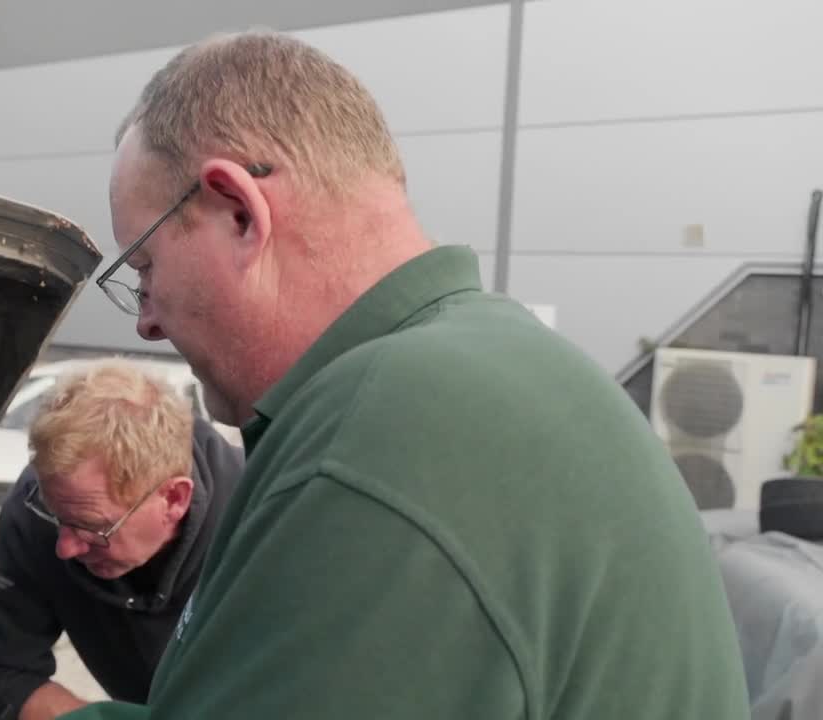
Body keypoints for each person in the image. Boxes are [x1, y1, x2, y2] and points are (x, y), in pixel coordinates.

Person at [63, 30, 752, 720]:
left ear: (239, 213)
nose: (146, 321)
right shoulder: (492, 368)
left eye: (145, 268)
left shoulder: (381, 436)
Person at [0, 360, 244, 720]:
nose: (65, 548)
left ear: (174, 499)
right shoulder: (40, 509)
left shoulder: (261, 519)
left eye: (93, 528)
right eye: (58, 519)